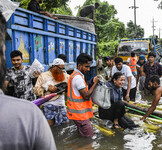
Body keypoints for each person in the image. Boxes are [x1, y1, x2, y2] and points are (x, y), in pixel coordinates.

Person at [0, 11, 56, 150]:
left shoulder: (29, 69)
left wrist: (38, 79)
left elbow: (39, 84)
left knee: (36, 128)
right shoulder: (9, 72)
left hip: (32, 102)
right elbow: (5, 88)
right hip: (17, 103)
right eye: (13, 60)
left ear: (21, 59)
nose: (16, 62)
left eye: (18, 60)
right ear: (11, 61)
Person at [67, 53, 99, 137]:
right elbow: (86, 96)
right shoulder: (78, 78)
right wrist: (95, 83)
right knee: (89, 138)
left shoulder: (73, 75)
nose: (88, 69)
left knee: (81, 136)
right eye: (86, 66)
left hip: (76, 114)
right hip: (80, 115)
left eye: (89, 66)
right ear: (79, 65)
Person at [34, 58, 69, 126]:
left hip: (61, 103)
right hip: (48, 103)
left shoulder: (64, 75)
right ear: (54, 67)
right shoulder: (43, 76)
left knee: (65, 123)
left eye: (63, 68)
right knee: (50, 124)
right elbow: (36, 90)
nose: (62, 71)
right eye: (60, 68)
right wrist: (47, 89)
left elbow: (72, 81)